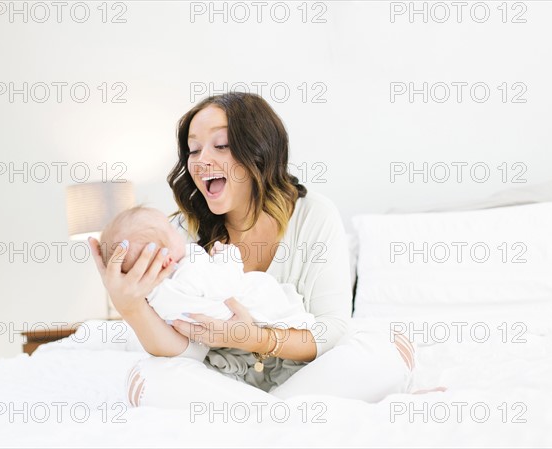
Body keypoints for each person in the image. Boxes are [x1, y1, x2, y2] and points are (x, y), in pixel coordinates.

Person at [89, 92, 415, 407]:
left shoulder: (313, 214)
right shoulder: (173, 236)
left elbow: (330, 330)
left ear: (259, 151)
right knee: (149, 376)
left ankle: (253, 416)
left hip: (305, 376)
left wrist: (252, 337)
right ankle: (278, 414)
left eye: (221, 145)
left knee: (382, 350)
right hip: (220, 382)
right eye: (193, 150)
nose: (202, 161)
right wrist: (130, 307)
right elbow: (183, 350)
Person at [98, 205, 316, 369]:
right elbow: (226, 285)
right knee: (264, 290)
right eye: (171, 231)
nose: (179, 233)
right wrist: (229, 257)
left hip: (245, 335)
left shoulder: (156, 297)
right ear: (165, 260)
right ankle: (296, 319)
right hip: (246, 306)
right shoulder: (188, 269)